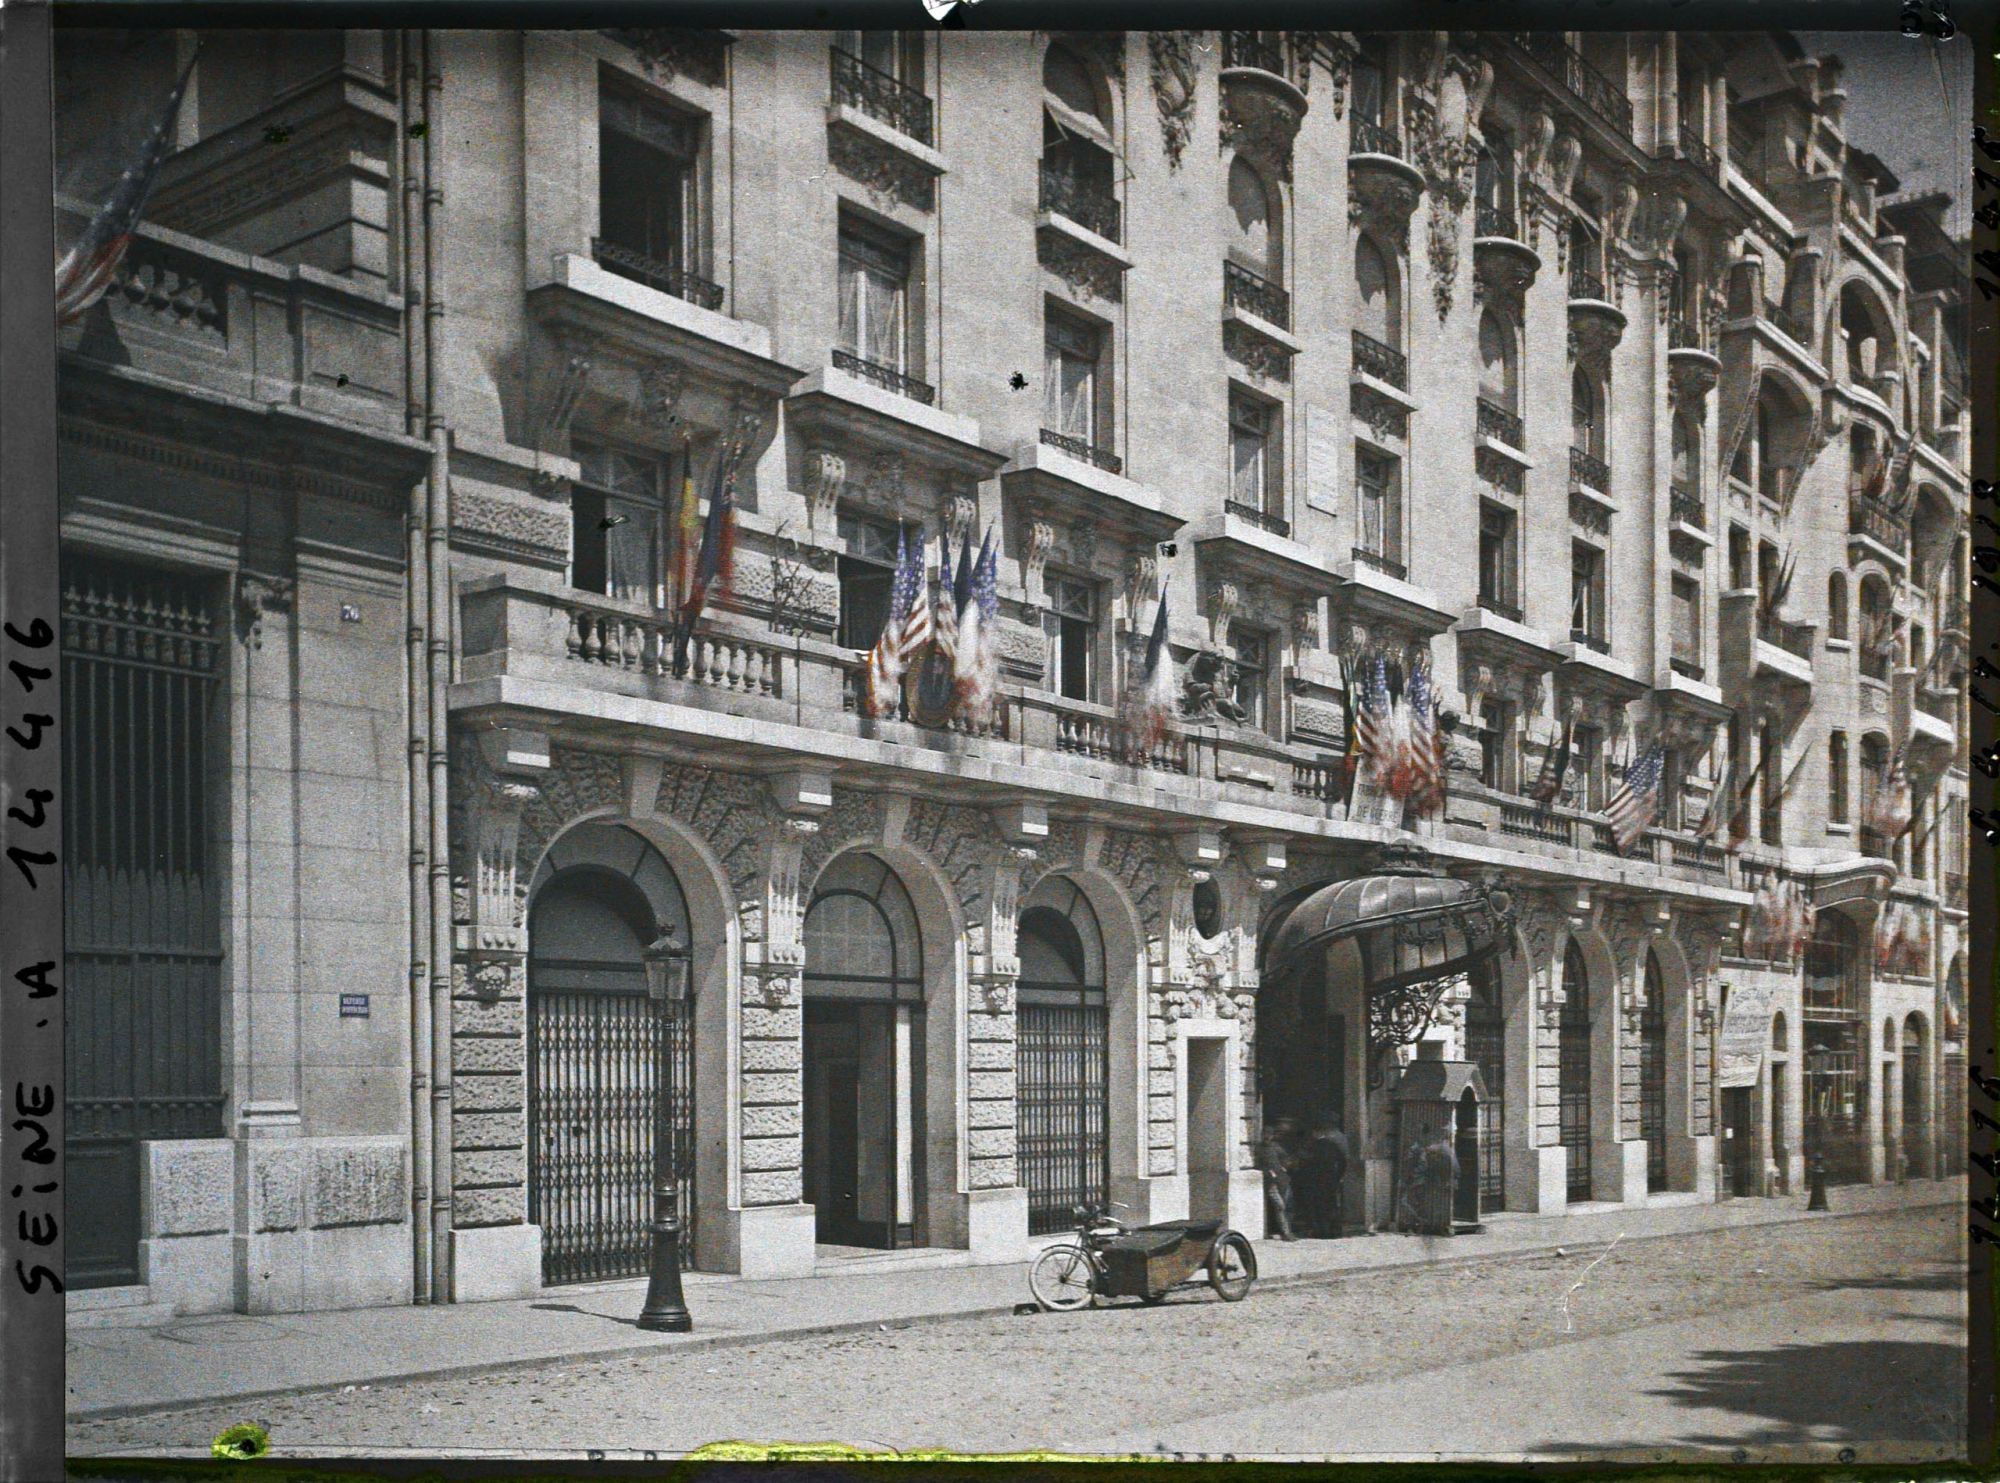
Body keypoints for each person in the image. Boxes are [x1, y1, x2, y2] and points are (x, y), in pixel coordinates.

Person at [1300, 1122, 1350, 1238]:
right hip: (1331, 1180)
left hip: (1316, 1181)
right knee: (1332, 1206)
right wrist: (1339, 1176)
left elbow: (1307, 1164)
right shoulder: (1333, 1145)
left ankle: (1322, 1232)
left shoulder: (1312, 1147)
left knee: (1319, 1206)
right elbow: (1343, 1161)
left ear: (1315, 1133)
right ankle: (1335, 1232)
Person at [1258, 1117, 1300, 1241]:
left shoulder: (1275, 1147)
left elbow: (1286, 1159)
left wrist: (1285, 1166)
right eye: (1265, 1134)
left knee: (1287, 1205)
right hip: (1269, 1182)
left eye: (1269, 1135)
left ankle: (1287, 1231)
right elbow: (1255, 1164)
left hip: (1282, 1181)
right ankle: (1285, 1232)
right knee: (1280, 1206)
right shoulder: (1259, 1148)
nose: (1267, 1137)